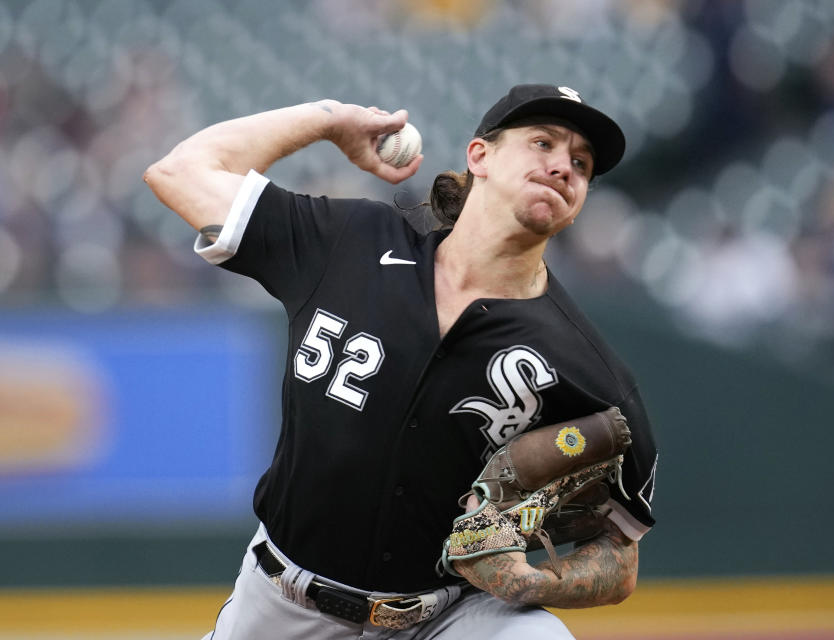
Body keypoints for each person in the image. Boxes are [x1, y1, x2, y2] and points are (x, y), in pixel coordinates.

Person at [143, 84, 658, 639]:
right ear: (479, 156)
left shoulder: (585, 367)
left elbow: (618, 554)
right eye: (543, 143)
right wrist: (330, 119)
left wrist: (534, 584)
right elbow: (179, 172)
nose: (563, 167)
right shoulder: (349, 242)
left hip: (447, 617)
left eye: (581, 163)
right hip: (281, 606)